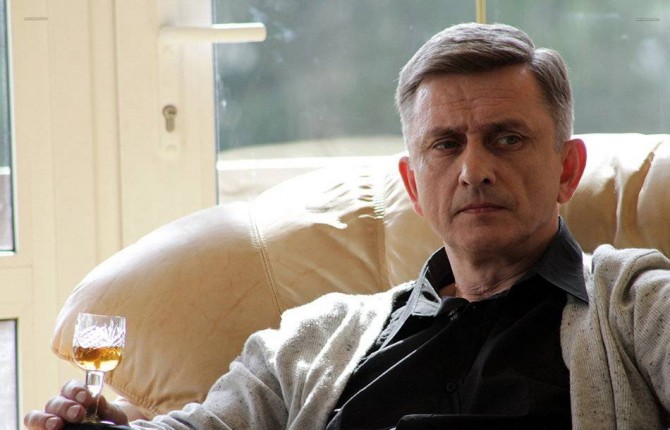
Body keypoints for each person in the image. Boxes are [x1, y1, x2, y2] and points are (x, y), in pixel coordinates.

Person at [25, 22, 670, 430]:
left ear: (566, 169)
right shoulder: (311, 340)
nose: (475, 170)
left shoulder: (634, 305)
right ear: (414, 185)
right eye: (446, 144)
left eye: (506, 139)